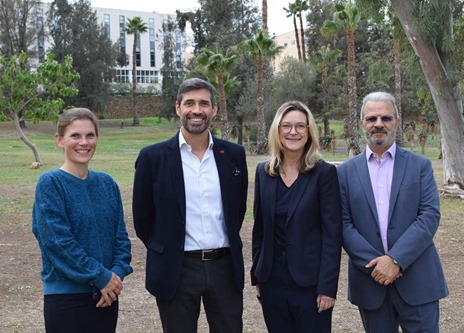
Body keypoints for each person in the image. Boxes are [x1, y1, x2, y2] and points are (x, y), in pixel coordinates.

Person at [132, 78, 248, 333]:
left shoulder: (234, 156)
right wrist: (167, 247)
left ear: (214, 110)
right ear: (178, 108)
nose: (197, 110)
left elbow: (236, 211)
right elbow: (143, 219)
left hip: (224, 268)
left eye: (204, 103)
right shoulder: (152, 158)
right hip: (177, 269)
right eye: (190, 103)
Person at [337, 92, 449, 333]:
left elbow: (429, 216)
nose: (379, 124)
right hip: (371, 282)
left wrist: (396, 260)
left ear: (397, 121)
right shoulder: (344, 173)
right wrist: (378, 266)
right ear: (361, 123)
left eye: (386, 117)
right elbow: (343, 224)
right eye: (372, 118)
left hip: (418, 280)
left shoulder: (420, 166)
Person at [32, 108, 133, 333]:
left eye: (90, 135)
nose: (84, 142)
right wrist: (101, 277)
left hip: (106, 296)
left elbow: (121, 239)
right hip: (66, 300)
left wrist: (116, 275)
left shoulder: (107, 184)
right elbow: (57, 243)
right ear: (59, 140)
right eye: (75, 136)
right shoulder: (50, 184)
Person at [251, 100, 343, 333]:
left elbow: (332, 235)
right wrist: (258, 275)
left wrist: (327, 287)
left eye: (301, 126)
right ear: (277, 130)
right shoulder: (264, 173)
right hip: (272, 282)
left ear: (309, 131)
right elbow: (259, 230)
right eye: (286, 126)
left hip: (311, 285)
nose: (293, 132)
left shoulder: (324, 173)